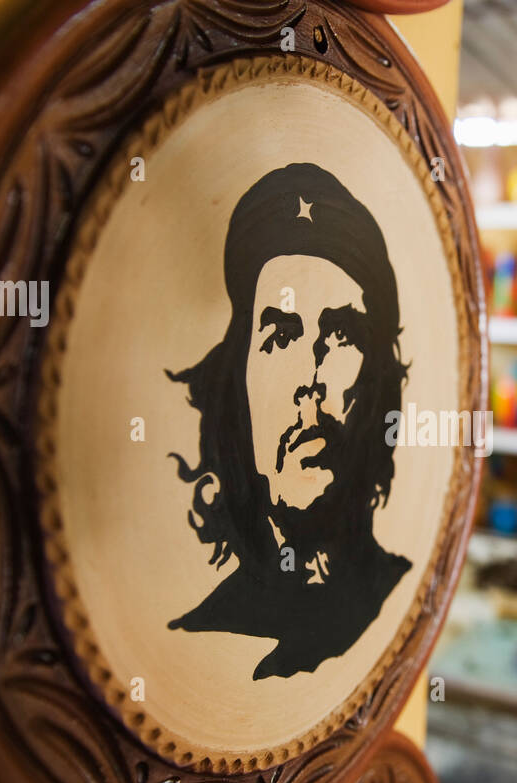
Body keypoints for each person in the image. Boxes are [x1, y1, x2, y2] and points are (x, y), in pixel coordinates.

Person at [166, 163, 411, 680]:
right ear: (238, 385)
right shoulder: (203, 637)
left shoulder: (401, 597)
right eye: (280, 338)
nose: (309, 379)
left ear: (377, 382)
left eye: (341, 336)